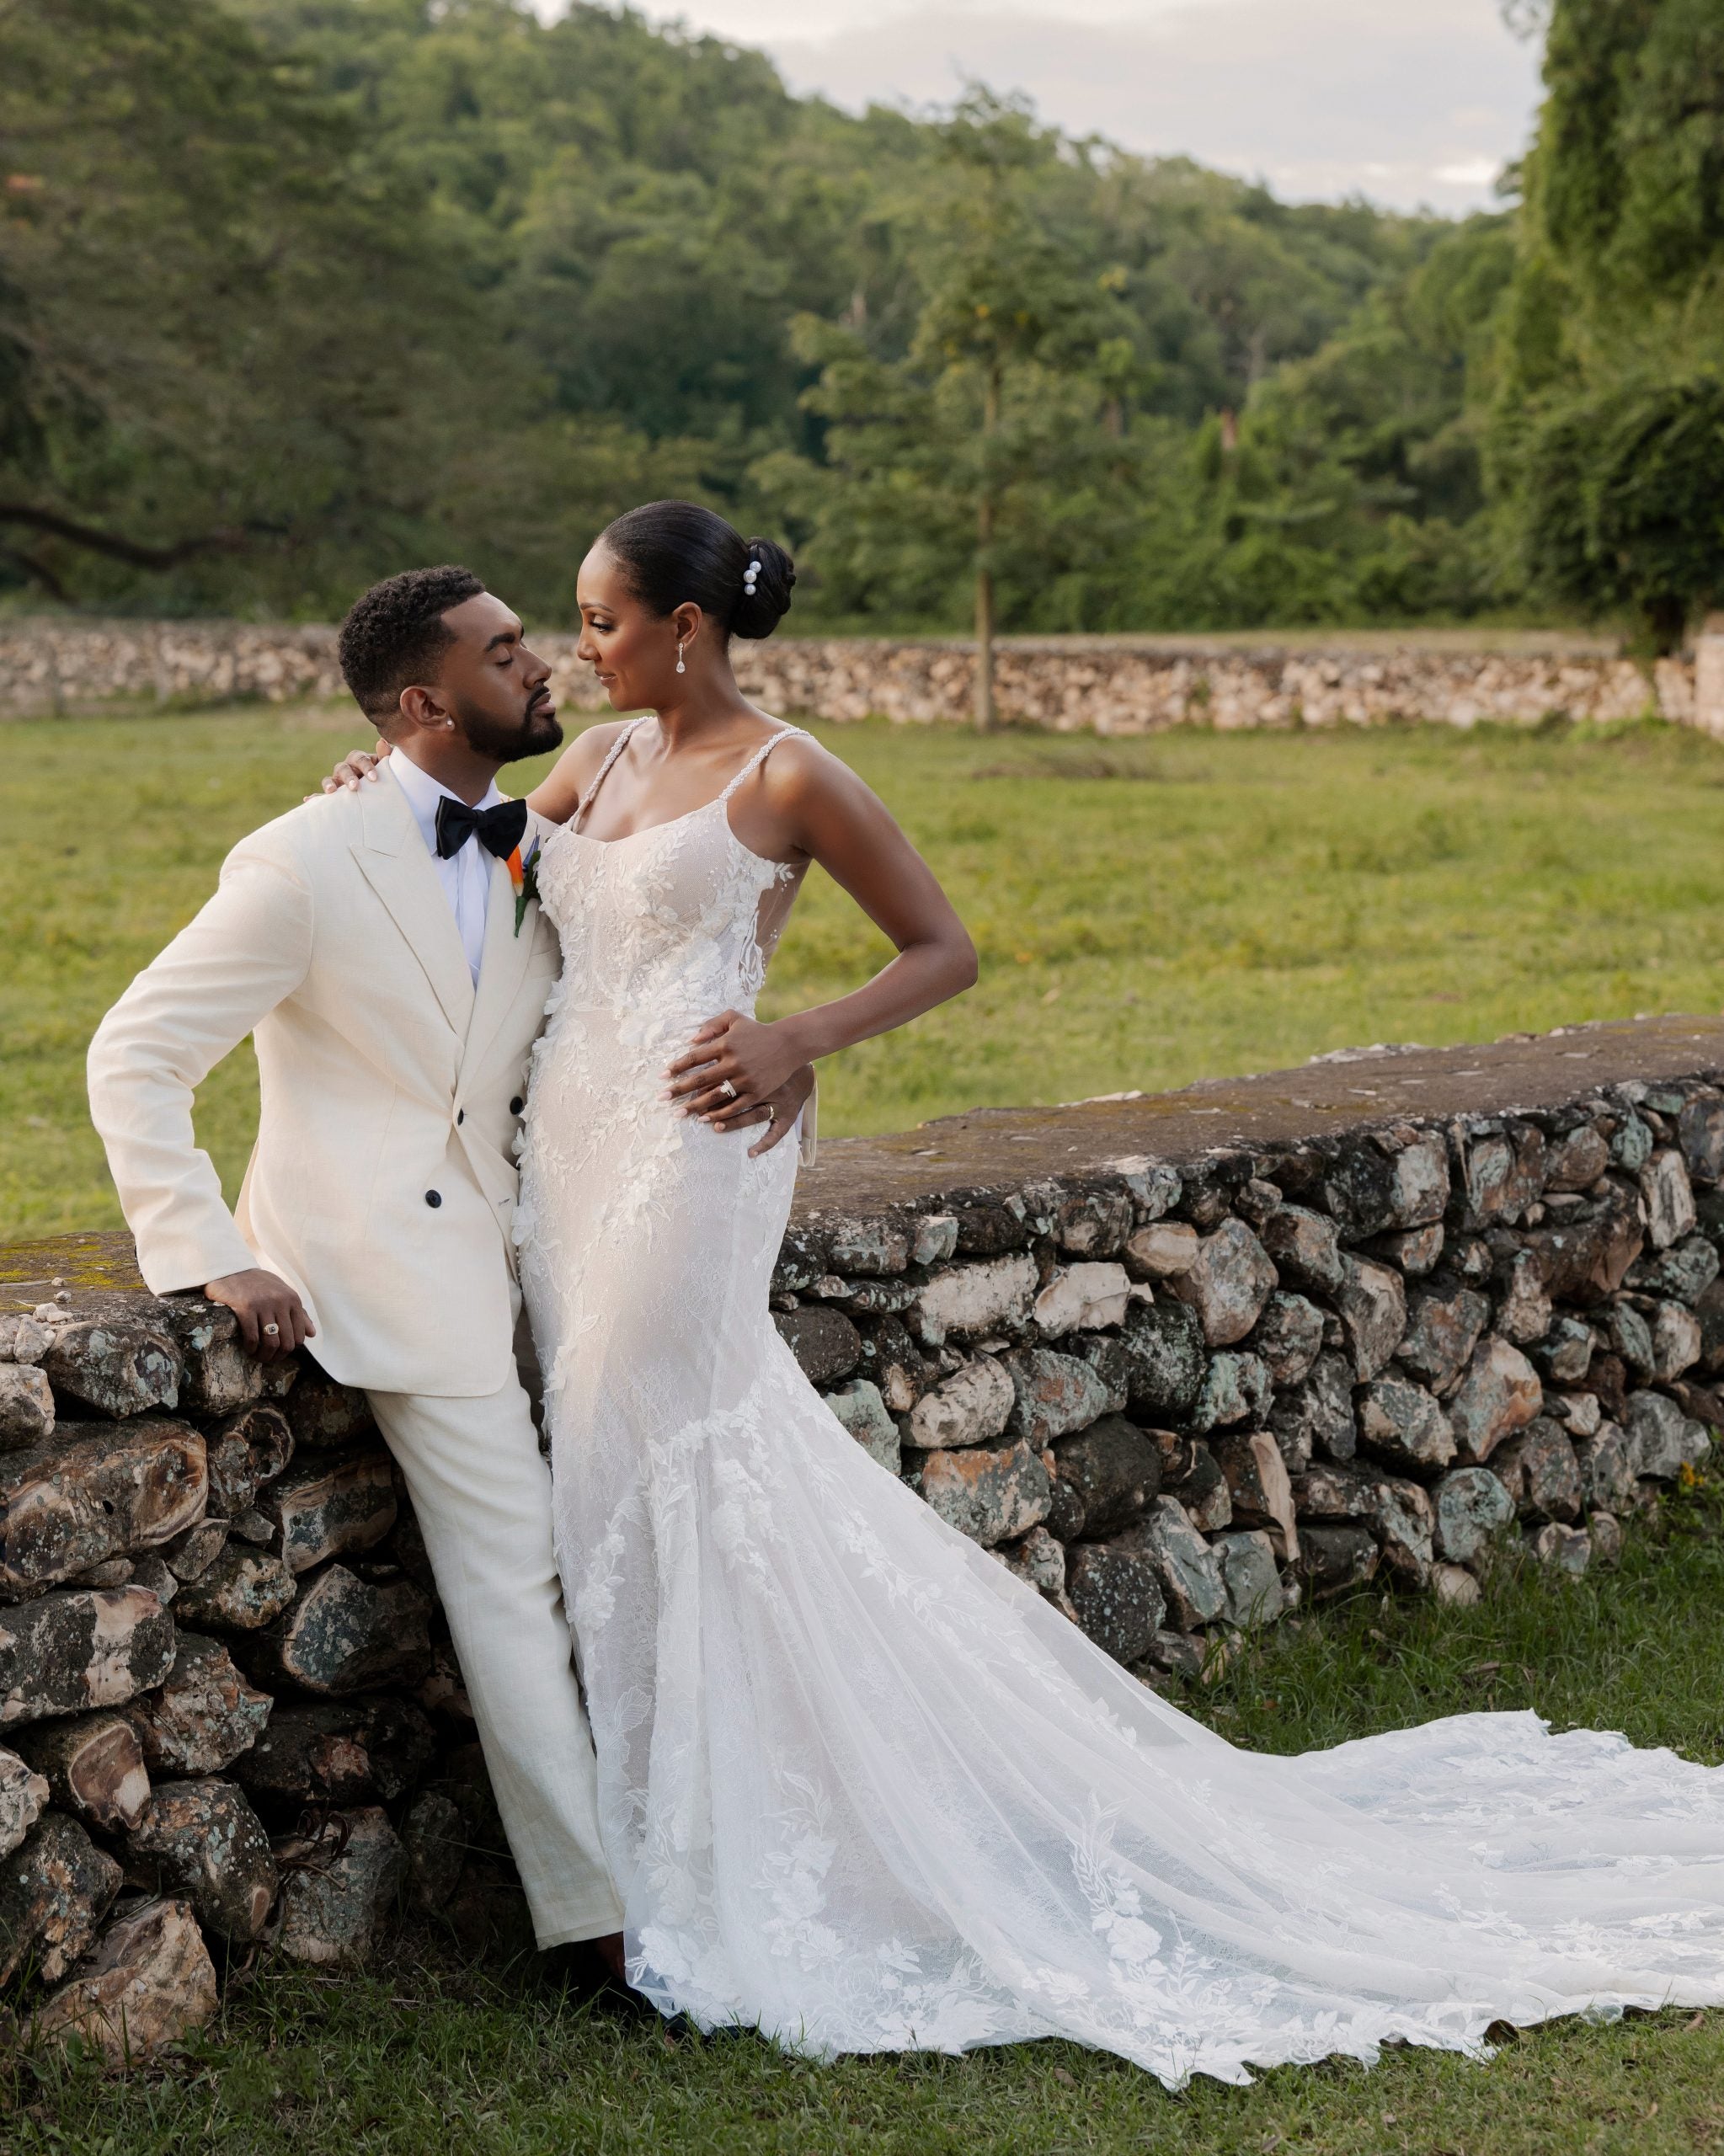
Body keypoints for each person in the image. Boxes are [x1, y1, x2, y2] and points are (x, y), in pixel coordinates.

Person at [323, 502, 1724, 2087]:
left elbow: (944, 949)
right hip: (568, 1156)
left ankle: (694, 1866)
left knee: (649, 1444)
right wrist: (376, 787)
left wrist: (800, 1039)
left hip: (696, 1149)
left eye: (598, 621)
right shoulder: (599, 769)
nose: (580, 650)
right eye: (573, 626)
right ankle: (662, 1841)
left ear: (684, 629)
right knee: (620, 1466)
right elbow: (485, 854)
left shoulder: (787, 773)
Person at [87, 563, 815, 1978]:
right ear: (425, 700)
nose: (540, 664)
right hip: (386, 1264)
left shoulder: (535, 834)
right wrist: (211, 1256)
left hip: (555, 1239)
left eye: (534, 643)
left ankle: (709, 1844)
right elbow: (134, 1051)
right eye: (503, 654)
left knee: (641, 1524)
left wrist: (781, 1048)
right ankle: (594, 1932)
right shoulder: (303, 860)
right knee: (519, 1581)